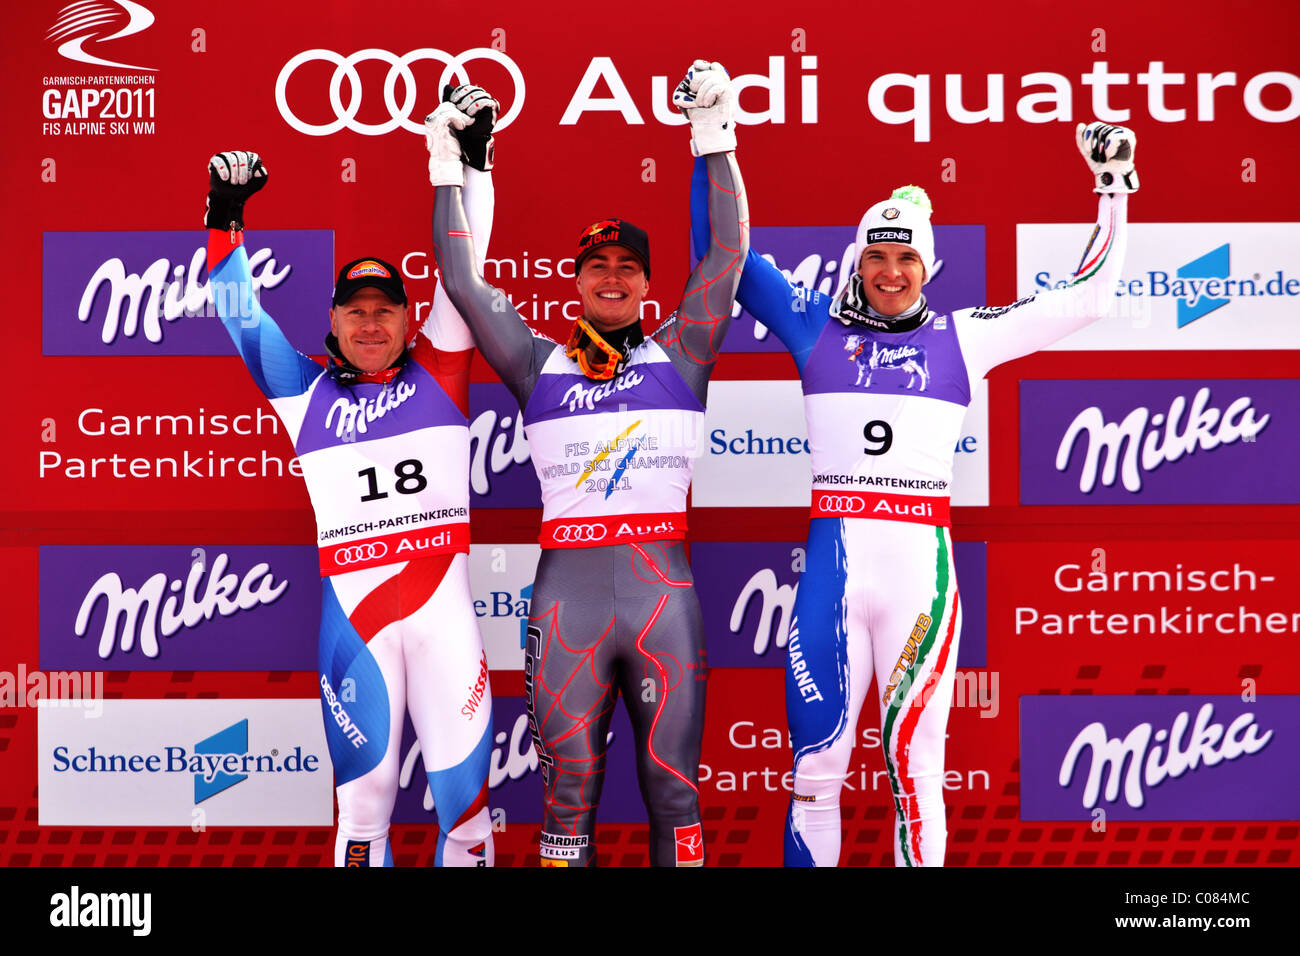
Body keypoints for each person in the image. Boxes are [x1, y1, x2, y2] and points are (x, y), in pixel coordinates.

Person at [691, 122, 1138, 866]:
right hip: (832, 579)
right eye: (876, 256)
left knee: (915, 774)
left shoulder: (965, 338)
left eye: (905, 259)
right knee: (815, 774)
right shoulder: (814, 326)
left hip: (919, 583)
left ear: (928, 266)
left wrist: (1113, 186)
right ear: (856, 261)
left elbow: (1090, 298)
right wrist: (713, 139)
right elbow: (722, 256)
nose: (890, 273)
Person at [424, 63, 748, 866]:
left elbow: (729, 256)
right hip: (566, 595)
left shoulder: (684, 349)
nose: (611, 276)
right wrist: (449, 169)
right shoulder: (537, 364)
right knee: (567, 792)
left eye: (626, 267)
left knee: (673, 787)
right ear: (574, 281)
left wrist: (714, 135)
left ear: (645, 283)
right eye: (596, 265)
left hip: (660, 598)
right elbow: (462, 282)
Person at [203, 127, 497, 866]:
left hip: (445, 627)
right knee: (362, 815)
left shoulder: (444, 367)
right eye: (356, 310)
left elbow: (469, 267)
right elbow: (241, 316)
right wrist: (223, 215)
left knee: (467, 819)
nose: (371, 322)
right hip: (355, 630)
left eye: (385, 310)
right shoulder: (300, 389)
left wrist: (471, 166)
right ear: (332, 321)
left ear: (408, 320)